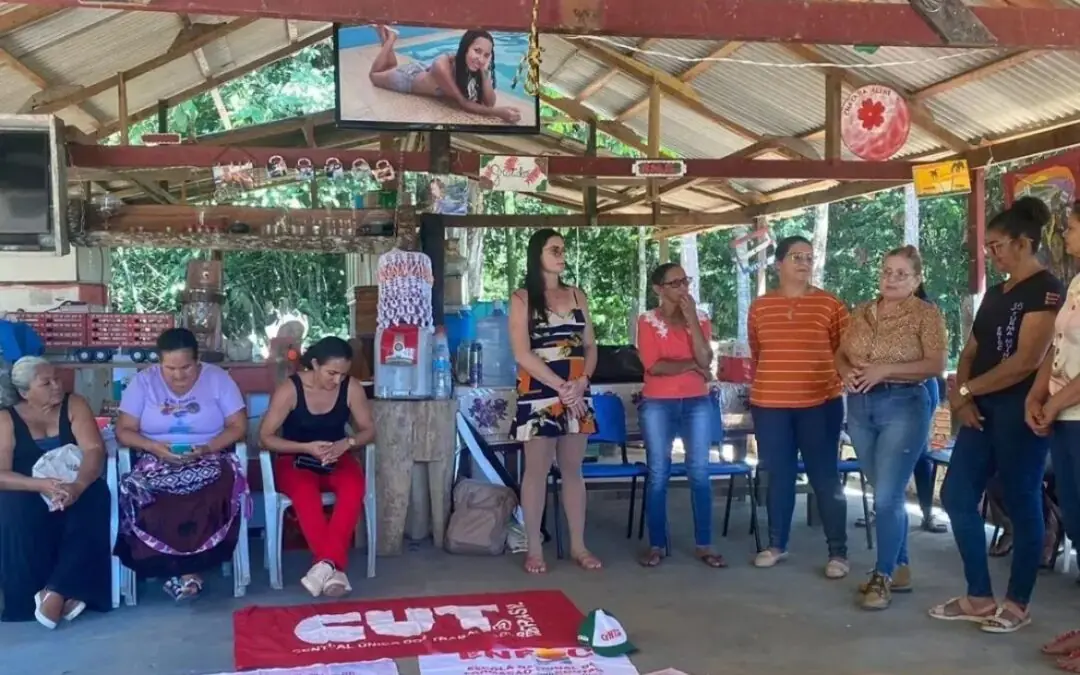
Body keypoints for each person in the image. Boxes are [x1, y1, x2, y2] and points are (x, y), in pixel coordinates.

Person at [930, 196, 1063, 633]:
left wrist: (967, 389)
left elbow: (1027, 360)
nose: (991, 253)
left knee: (1022, 501)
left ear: (1024, 244)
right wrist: (963, 396)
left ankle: (1018, 601)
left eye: (997, 245)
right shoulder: (996, 291)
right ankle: (979, 596)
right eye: (987, 246)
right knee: (956, 495)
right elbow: (971, 350)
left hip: (1021, 409)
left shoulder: (1047, 289)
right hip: (979, 408)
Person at [835, 246, 947, 610]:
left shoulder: (925, 314)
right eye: (887, 271)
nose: (892, 279)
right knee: (881, 488)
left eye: (901, 274)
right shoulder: (863, 311)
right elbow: (841, 351)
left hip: (903, 404)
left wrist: (886, 370)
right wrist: (844, 371)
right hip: (860, 405)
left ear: (917, 280)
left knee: (886, 496)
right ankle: (899, 566)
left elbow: (935, 365)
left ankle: (881, 576)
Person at [113, 328, 248, 602]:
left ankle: (185, 572)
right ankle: (185, 572)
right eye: (169, 368)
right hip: (155, 457)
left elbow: (238, 426)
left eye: (185, 367)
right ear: (159, 363)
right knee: (153, 496)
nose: (178, 375)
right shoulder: (143, 382)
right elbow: (124, 430)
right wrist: (154, 447)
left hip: (211, 455)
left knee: (207, 493)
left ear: (198, 362)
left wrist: (207, 448)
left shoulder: (218, 379)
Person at [748, 235, 851, 578]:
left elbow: (843, 350)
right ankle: (777, 545)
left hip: (820, 403)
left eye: (809, 257)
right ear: (778, 264)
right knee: (778, 475)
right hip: (770, 404)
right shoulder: (760, 306)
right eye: (796, 257)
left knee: (825, 476)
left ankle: (838, 553)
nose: (805, 263)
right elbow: (758, 351)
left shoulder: (830, 304)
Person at [509, 228, 600, 574]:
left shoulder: (578, 294)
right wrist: (562, 386)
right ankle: (534, 548)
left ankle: (579, 545)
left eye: (563, 249)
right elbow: (521, 352)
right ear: (538, 255)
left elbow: (590, 346)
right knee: (536, 470)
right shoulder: (521, 298)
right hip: (539, 391)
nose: (562, 255)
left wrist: (581, 382)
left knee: (574, 470)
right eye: (554, 250)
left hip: (577, 389)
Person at [258, 337, 375, 597]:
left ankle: (323, 566)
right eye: (331, 373)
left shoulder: (351, 388)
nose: (337, 380)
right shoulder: (290, 389)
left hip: (336, 454)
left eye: (343, 375)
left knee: (353, 487)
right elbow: (265, 437)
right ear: (314, 364)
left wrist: (348, 443)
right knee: (304, 493)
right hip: (297, 457)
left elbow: (369, 430)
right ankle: (334, 569)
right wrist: (306, 447)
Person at [0, 357, 111, 627]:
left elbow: (94, 451)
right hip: (28, 486)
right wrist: (41, 485)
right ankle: (32, 599)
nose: (56, 386)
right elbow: (2, 474)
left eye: (57, 379)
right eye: (46, 383)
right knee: (14, 508)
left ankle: (56, 592)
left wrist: (78, 486)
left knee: (95, 497)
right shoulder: (6, 419)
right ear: (25, 392)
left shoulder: (75, 405)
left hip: (75, 482)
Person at [636, 263, 724, 568]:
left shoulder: (699, 318)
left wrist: (691, 321)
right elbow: (654, 365)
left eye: (685, 281)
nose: (683, 288)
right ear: (658, 289)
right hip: (658, 403)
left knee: (699, 471)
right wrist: (689, 366)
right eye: (674, 283)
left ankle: (705, 544)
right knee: (658, 472)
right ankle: (657, 544)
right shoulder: (647, 321)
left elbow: (705, 357)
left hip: (697, 401)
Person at [1033, 203, 1080, 667]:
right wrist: (1038, 394)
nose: (1064, 236)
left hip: (1075, 415)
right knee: (1077, 520)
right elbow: (1058, 347)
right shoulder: (1076, 283)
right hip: (1065, 418)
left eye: (1070, 228)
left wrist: (1053, 403)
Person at [368, 26, 522, 124]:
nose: (481, 58)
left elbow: (489, 102)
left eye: (486, 55)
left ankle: (383, 33)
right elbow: (463, 103)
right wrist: (499, 113)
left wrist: (482, 69)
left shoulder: (472, 66)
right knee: (374, 76)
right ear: (466, 47)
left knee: (390, 66)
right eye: (477, 51)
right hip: (408, 78)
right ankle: (392, 39)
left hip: (422, 70)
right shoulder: (442, 66)